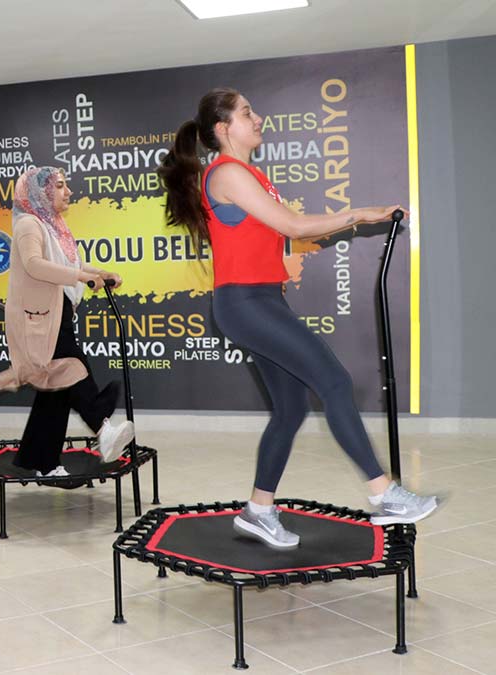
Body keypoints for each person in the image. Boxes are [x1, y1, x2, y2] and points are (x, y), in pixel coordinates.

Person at [158, 87, 438, 549]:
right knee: (334, 382)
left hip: (262, 300)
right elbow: (293, 226)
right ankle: (384, 495)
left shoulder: (249, 174)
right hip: (245, 304)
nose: (258, 118)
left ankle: (258, 511)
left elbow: (278, 232)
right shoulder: (226, 172)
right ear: (224, 128)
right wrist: (362, 214)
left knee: (290, 408)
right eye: (247, 113)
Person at [0, 166, 135, 479]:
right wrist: (82, 277)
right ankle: (103, 428)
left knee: (56, 387)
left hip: (56, 313)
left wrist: (99, 273)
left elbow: (71, 263)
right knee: (72, 369)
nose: (68, 192)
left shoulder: (53, 225)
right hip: (38, 319)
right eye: (59, 186)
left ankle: (38, 460)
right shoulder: (29, 224)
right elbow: (35, 265)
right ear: (40, 192)